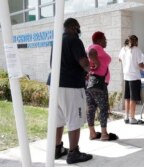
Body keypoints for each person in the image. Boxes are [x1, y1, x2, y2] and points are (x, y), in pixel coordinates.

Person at [47, 18, 93, 164]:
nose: (79, 30)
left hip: (54, 84)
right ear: (73, 27)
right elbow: (84, 63)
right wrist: (90, 67)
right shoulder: (75, 40)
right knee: (74, 117)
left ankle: (57, 148)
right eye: (78, 27)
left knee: (58, 117)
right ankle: (74, 153)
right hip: (71, 85)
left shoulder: (57, 40)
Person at [86, 31, 118, 141]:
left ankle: (92, 133)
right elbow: (92, 53)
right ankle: (104, 134)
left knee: (91, 108)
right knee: (103, 108)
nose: (106, 41)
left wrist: (94, 63)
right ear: (99, 40)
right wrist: (96, 63)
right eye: (104, 39)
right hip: (99, 84)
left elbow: (90, 53)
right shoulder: (96, 47)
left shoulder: (91, 47)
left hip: (90, 83)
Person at [119, 35, 144, 124]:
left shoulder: (123, 49)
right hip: (134, 77)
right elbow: (140, 64)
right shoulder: (137, 50)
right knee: (133, 98)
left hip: (126, 76)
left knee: (127, 97)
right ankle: (132, 118)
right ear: (136, 42)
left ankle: (126, 117)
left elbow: (119, 59)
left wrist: (126, 61)